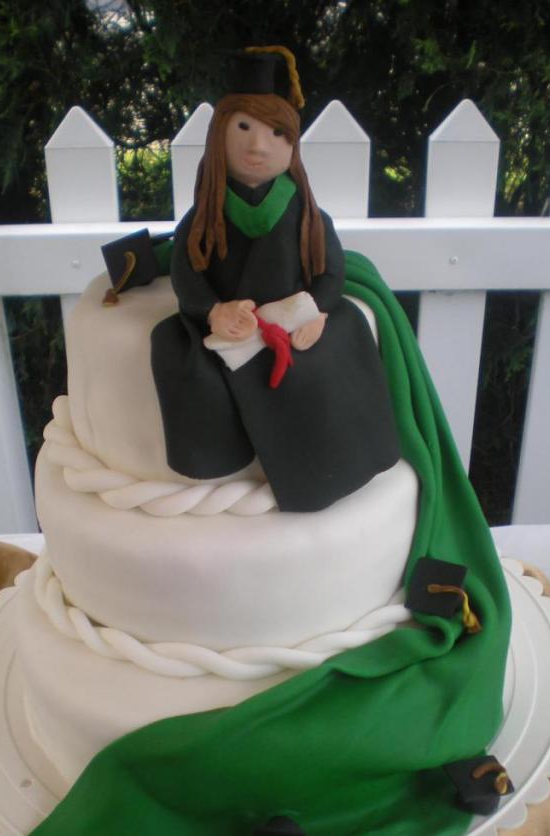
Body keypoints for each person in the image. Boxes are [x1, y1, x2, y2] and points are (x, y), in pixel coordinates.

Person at [151, 47, 401, 512]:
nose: (258, 147)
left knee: (334, 352)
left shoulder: (306, 214)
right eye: (243, 128)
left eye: (275, 133)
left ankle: (340, 465)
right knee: (176, 350)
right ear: (219, 136)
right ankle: (222, 464)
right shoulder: (205, 216)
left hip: (295, 319)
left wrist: (317, 311)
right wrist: (214, 310)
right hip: (233, 328)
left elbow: (331, 269)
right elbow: (186, 272)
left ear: (292, 145)